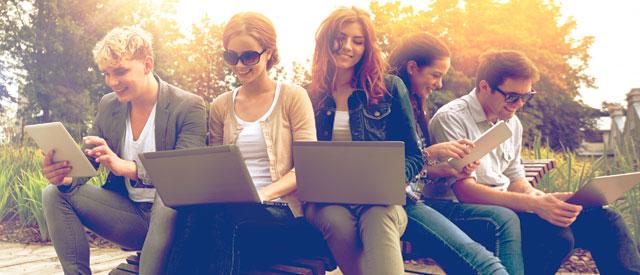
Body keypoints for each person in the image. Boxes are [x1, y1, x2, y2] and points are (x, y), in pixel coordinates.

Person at [429, 49, 640, 274]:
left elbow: (518, 182)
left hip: (509, 207)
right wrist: (535, 205)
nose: (519, 104)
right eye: (512, 96)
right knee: (554, 236)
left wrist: (548, 199)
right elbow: (465, 192)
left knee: (605, 220)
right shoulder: (452, 118)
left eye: (526, 97)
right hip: (470, 213)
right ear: (484, 87)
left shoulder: (512, 123)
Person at [166, 12, 325, 275]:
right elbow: (216, 168)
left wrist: (261, 195)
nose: (239, 65)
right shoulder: (220, 105)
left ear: (269, 52)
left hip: (282, 215)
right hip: (229, 211)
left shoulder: (292, 97)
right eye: (231, 57)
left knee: (224, 221)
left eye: (249, 56)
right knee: (193, 216)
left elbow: (308, 168)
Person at [41, 26, 207, 275]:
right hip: (132, 218)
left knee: (167, 196)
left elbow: (183, 175)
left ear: (147, 64)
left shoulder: (188, 106)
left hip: (177, 225)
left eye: (120, 72)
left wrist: (128, 167)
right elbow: (90, 161)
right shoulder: (109, 105)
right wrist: (66, 176)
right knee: (54, 193)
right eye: (106, 74)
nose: (112, 82)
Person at [304, 7, 422, 275]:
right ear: (326, 40)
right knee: (335, 220)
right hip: (328, 202)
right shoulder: (309, 95)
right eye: (340, 37)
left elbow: (415, 155)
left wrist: (390, 182)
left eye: (358, 41)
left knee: (379, 216)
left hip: (379, 200)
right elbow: (298, 156)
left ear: (367, 47)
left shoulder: (390, 88)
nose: (347, 47)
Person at [388, 32, 512, 275]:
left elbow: (411, 171)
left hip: (413, 201)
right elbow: (387, 170)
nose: (439, 84)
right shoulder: (387, 100)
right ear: (412, 67)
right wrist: (432, 152)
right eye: (436, 75)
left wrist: (445, 170)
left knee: (484, 259)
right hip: (401, 205)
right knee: (484, 264)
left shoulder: (415, 103)